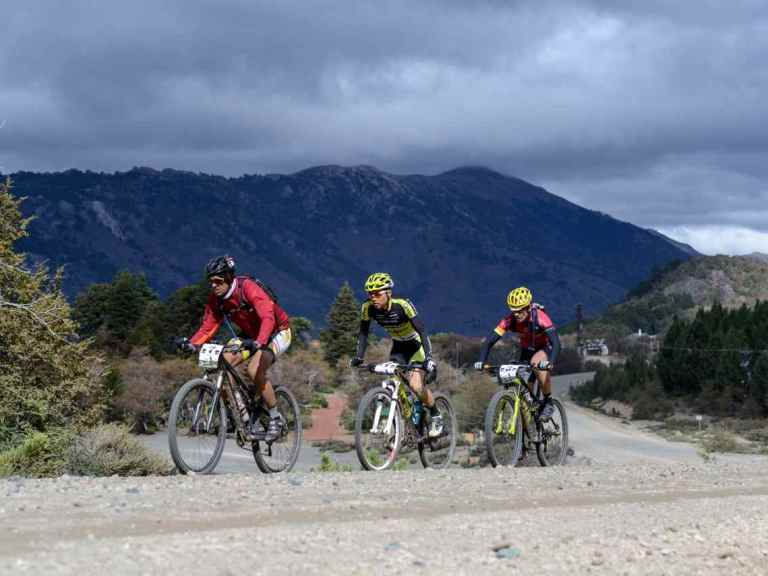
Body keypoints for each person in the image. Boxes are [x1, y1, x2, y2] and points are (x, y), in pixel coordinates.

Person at [176, 255, 291, 440]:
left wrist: (260, 341)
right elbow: (208, 326)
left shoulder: (248, 288)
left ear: (229, 278)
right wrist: (192, 344)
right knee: (222, 363)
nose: (213, 285)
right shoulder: (216, 299)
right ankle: (240, 414)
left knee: (255, 370)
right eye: (211, 281)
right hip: (250, 336)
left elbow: (268, 317)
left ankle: (275, 418)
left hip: (276, 332)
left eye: (218, 281)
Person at [350, 272, 443, 438]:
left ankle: (436, 415)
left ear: (388, 293)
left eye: (377, 294)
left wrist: (429, 357)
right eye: (370, 294)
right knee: (391, 382)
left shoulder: (402, 304)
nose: (373, 298)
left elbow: (422, 330)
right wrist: (359, 357)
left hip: (416, 345)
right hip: (398, 347)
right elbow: (363, 333)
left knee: (415, 385)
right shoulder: (367, 308)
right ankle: (400, 421)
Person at [474, 286, 561, 420]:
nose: (516, 314)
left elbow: (556, 343)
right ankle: (530, 426)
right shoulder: (509, 320)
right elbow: (489, 342)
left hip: (544, 348)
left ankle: (548, 401)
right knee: (524, 391)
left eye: (520, 311)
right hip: (526, 350)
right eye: (513, 311)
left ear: (528, 307)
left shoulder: (541, 318)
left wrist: (550, 362)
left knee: (536, 363)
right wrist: (481, 361)